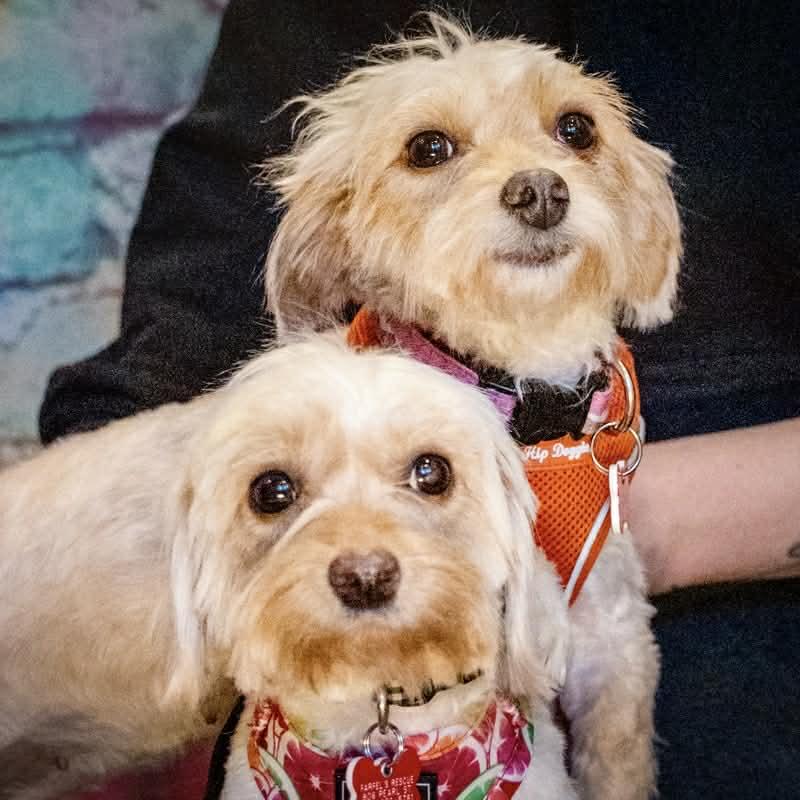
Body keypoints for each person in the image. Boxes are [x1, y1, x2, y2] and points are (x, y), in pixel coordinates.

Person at [39, 2, 800, 797]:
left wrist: (616, 520)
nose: (533, 184)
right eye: (434, 150)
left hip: (722, 568)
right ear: (332, 241)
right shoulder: (330, 384)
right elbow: (187, 319)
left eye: (572, 134)